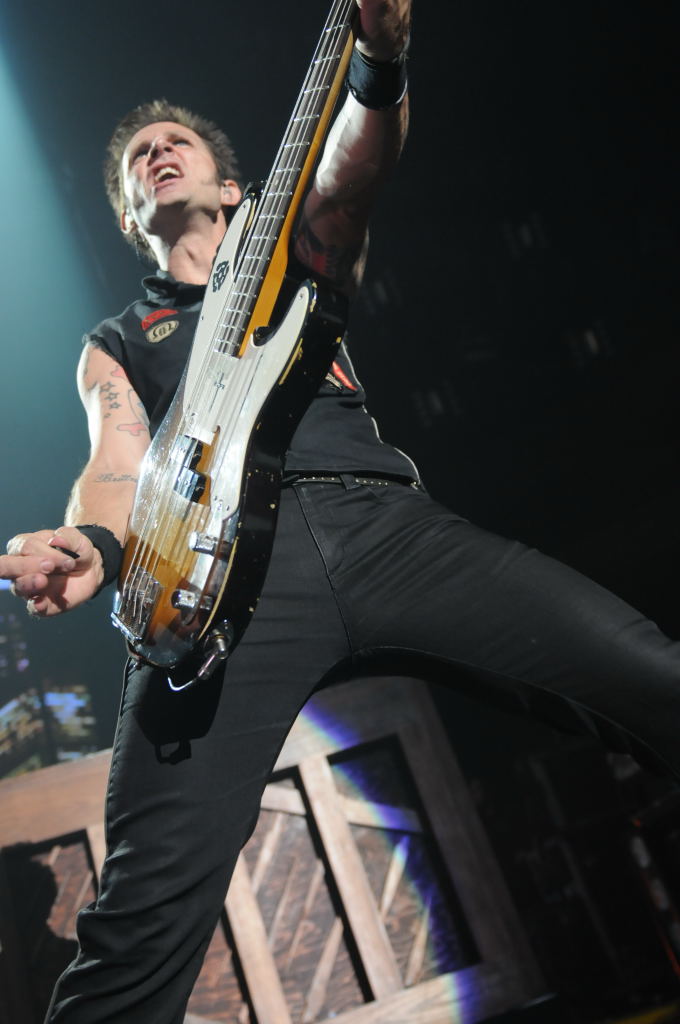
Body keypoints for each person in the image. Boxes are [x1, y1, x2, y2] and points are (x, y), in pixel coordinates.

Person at [2, 0, 680, 1020]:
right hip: (210, 585)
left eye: (176, 141)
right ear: (131, 216)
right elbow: (115, 458)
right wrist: (95, 542)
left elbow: (350, 177)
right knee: (136, 928)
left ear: (232, 186)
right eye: (138, 157)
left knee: (648, 674)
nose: (157, 153)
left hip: (375, 524)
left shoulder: (291, 239)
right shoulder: (120, 337)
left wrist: (380, 60)